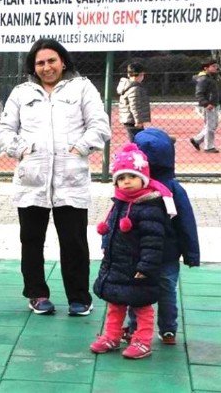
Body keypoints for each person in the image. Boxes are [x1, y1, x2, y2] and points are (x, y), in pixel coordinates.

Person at [0, 38, 111, 316]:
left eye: (51, 61)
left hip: (71, 181)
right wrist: (22, 149)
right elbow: (5, 130)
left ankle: (79, 297)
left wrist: (80, 147)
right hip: (31, 181)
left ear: (62, 61)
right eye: (40, 62)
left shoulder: (82, 87)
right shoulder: (22, 93)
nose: (46, 67)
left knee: (74, 242)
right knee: (31, 241)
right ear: (33, 66)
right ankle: (36, 294)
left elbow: (100, 125)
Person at [91, 143, 172, 359]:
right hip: (118, 265)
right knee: (115, 304)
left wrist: (146, 266)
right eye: (121, 177)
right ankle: (111, 335)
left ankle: (142, 340)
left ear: (143, 178)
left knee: (142, 307)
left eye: (132, 177)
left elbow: (153, 241)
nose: (126, 181)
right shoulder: (119, 203)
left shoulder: (150, 206)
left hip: (138, 268)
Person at [122, 128, 200, 345]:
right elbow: (187, 224)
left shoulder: (134, 186)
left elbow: (119, 219)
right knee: (165, 291)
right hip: (166, 254)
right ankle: (167, 330)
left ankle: (139, 327)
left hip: (141, 253)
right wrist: (191, 253)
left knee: (137, 291)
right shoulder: (171, 188)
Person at [190, 59, 219, 153]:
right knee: (211, 125)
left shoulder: (211, 77)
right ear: (206, 68)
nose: (216, 68)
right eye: (213, 66)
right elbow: (199, 93)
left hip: (213, 104)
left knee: (213, 124)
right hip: (208, 105)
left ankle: (197, 140)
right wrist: (206, 104)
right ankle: (209, 147)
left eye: (216, 66)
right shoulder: (203, 79)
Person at [117, 62, 150, 142]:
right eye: (142, 75)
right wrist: (138, 121)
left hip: (129, 119)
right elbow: (135, 106)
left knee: (135, 140)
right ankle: (133, 154)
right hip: (133, 120)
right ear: (141, 75)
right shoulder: (135, 88)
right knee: (137, 142)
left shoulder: (128, 86)